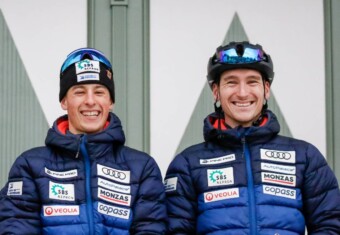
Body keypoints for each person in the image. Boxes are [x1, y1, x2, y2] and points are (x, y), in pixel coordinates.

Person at [164, 41, 340, 234]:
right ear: (216, 92)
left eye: (252, 81)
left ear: (266, 89)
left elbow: (330, 225)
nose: (242, 93)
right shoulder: (187, 163)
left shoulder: (305, 156)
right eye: (231, 82)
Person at [0, 48, 167, 234]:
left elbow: (151, 229)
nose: (90, 101)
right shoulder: (30, 166)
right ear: (64, 101)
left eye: (99, 92)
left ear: (110, 101)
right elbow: (16, 229)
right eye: (79, 92)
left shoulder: (142, 167)